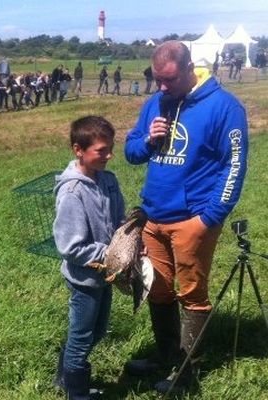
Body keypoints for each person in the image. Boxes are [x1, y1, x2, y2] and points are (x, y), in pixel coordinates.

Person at [124, 40, 248, 394]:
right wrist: (148, 141)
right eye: (157, 79)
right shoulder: (156, 103)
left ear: (190, 67)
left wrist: (209, 218)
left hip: (193, 220)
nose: (162, 87)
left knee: (192, 294)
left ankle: (186, 373)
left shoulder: (224, 107)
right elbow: (131, 151)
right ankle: (167, 357)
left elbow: (234, 166)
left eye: (169, 79)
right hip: (153, 216)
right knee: (157, 290)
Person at [53, 116, 125, 400]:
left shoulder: (108, 180)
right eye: (101, 150)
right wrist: (111, 254)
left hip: (106, 274)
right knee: (82, 340)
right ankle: (78, 394)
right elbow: (70, 246)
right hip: (84, 279)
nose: (109, 155)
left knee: (95, 334)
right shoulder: (72, 192)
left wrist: (129, 241)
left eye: (110, 148)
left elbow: (119, 217)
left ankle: (65, 377)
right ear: (78, 150)